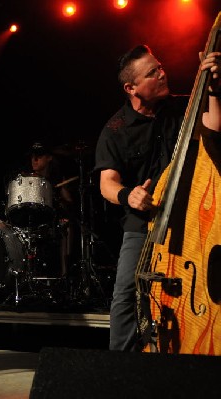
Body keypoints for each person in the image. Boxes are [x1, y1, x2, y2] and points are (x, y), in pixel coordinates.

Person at [94, 44, 221, 351]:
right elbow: (106, 183)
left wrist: (215, 88)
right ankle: (119, 371)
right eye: (152, 73)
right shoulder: (115, 129)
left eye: (160, 67)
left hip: (192, 221)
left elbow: (215, 128)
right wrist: (128, 195)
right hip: (144, 223)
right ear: (131, 87)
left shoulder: (183, 108)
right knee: (125, 294)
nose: (163, 74)